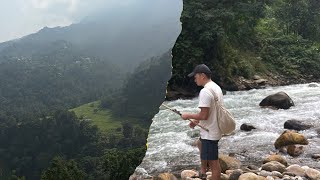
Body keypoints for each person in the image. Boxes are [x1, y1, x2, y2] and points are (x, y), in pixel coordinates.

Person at [181, 64, 222, 180]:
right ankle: (203, 171)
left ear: (202, 76)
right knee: (200, 143)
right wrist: (196, 120)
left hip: (210, 133)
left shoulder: (205, 91)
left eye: (195, 76)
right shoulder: (215, 87)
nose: (194, 79)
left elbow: (204, 114)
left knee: (214, 164)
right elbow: (210, 110)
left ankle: (207, 172)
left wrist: (187, 115)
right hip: (214, 129)